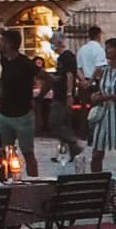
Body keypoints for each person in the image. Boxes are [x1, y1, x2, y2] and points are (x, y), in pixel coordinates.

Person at [0, 28, 39, 177]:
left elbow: (48, 79)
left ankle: (34, 184)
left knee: (28, 153)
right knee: (3, 152)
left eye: (2, 41)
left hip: (22, 115)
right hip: (5, 113)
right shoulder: (4, 61)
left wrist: (37, 98)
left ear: (10, 44)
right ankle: (4, 180)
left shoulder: (25, 63)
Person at [48, 33, 84, 161]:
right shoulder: (62, 58)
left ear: (58, 42)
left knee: (55, 122)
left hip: (62, 95)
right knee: (64, 123)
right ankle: (68, 152)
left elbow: (69, 75)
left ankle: (73, 142)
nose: (51, 45)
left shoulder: (66, 57)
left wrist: (69, 94)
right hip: (60, 93)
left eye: (52, 42)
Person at [88, 37, 116, 175]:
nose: (107, 51)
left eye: (110, 48)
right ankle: (96, 179)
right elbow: (97, 89)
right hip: (104, 113)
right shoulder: (103, 70)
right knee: (97, 152)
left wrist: (108, 97)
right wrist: (95, 96)